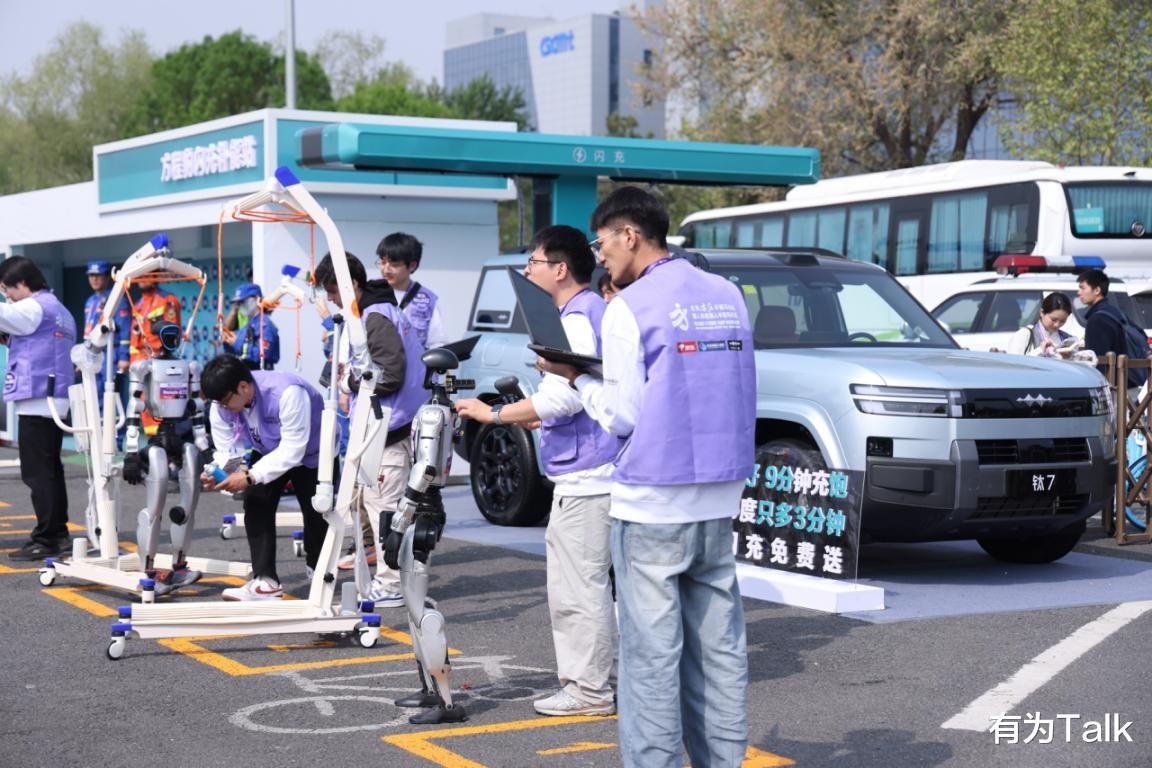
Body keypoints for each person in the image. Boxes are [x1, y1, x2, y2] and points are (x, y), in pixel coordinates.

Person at [538, 187, 755, 767]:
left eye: (602, 243)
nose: (600, 256)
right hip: (720, 492)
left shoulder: (629, 307)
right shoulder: (727, 294)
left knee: (651, 658)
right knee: (719, 651)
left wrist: (577, 379)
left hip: (652, 498)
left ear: (629, 235)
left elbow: (622, 415)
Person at [456, 225, 619, 718]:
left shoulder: (578, 317)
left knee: (578, 590)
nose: (528, 271)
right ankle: (594, 683)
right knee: (586, 587)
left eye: (534, 262)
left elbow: (566, 397)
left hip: (590, 478)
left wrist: (494, 414)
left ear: (560, 269)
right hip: (595, 473)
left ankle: (589, 690)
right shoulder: (586, 312)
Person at [314, 251, 427, 606]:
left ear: (352, 284)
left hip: (389, 428)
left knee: (384, 508)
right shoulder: (378, 311)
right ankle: (394, 581)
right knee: (380, 505)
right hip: (389, 425)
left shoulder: (375, 317)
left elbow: (390, 375)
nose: (332, 298)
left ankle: (391, 585)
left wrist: (349, 382)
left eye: (334, 290)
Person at [200, 354, 328, 600]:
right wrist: (217, 472)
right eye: (219, 403)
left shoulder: (289, 393)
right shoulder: (221, 405)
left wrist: (249, 477)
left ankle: (319, 568)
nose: (224, 408)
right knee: (256, 501)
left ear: (243, 387)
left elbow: (293, 450)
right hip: (268, 449)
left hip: (313, 451)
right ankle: (266, 581)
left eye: (226, 402)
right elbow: (228, 450)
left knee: (317, 514)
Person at [0, 257, 78, 560]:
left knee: (38, 474)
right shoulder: (59, 310)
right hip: (54, 398)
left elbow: (7, 315)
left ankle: (47, 538)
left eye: (7, 289)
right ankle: (57, 533)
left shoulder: (33, 307)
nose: (8, 296)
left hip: (39, 397)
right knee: (50, 471)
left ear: (22, 283)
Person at [1078, 268, 1143, 403]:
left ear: (1097, 290)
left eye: (1083, 288)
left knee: (1116, 418)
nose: (1079, 292)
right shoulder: (1116, 312)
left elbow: (1098, 360)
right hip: (1129, 383)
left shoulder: (1098, 319)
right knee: (1131, 416)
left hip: (1113, 390)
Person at [377, 232, 450, 349]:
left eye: (394, 264)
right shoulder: (370, 293)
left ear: (412, 266)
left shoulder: (427, 300)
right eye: (382, 262)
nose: (386, 270)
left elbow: (437, 343)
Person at [82, 260, 131, 392]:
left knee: (112, 395)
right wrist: (84, 356)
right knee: (94, 396)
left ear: (108, 277)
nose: (94, 279)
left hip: (110, 353)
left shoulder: (116, 298)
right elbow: (88, 331)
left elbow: (125, 329)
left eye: (98, 275)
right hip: (92, 354)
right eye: (91, 275)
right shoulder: (90, 301)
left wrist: (124, 357)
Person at [222, 282, 280, 370]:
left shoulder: (265, 325)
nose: (240, 306)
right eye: (238, 303)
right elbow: (238, 354)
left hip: (261, 375)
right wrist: (228, 343)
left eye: (243, 302)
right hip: (247, 373)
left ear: (256, 299)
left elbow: (263, 355)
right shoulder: (247, 326)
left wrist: (237, 343)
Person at [1006, 292, 1078, 357]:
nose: (1057, 324)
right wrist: (1039, 350)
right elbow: (1013, 363)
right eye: (1053, 319)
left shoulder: (1066, 339)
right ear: (1042, 313)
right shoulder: (1025, 335)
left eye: (1062, 321)